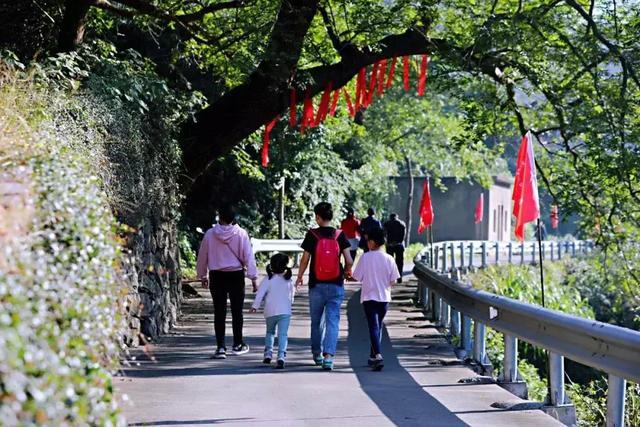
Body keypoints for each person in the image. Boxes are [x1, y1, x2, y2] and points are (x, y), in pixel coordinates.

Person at [296, 202, 353, 371]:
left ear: (318, 217)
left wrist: (300, 276)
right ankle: (329, 357)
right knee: (333, 321)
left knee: (316, 321)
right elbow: (349, 260)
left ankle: (317, 354)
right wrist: (347, 272)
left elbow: (305, 259)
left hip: (316, 285)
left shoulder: (312, 234)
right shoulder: (339, 235)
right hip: (335, 284)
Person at [196, 206, 258, 359]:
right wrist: (253, 277)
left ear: (220, 216)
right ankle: (237, 344)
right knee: (237, 312)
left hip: (217, 276)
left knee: (219, 312)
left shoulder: (210, 234)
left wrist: (202, 275)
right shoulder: (241, 234)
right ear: (233, 218)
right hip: (236, 275)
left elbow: (202, 255)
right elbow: (248, 257)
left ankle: (220, 347)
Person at [352, 228, 400, 371]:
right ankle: (373, 355)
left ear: (372, 242)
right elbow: (394, 280)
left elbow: (357, 277)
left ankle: (378, 355)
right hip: (384, 298)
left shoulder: (365, 257)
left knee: (374, 326)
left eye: (367, 241)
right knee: (377, 326)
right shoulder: (389, 258)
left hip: (369, 297)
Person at [251, 253, 295, 369]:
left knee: (270, 332)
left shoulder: (268, 279)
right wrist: (290, 305)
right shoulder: (288, 279)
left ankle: (268, 353)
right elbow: (292, 295)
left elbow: (260, 294)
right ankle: (281, 356)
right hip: (285, 311)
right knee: (283, 334)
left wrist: (255, 306)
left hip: (270, 311)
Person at [383, 213, 406, 283]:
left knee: (390, 262)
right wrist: (400, 241)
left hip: (390, 245)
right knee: (400, 262)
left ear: (390, 217)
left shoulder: (386, 224)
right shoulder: (402, 224)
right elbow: (404, 235)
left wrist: (386, 242)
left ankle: (391, 278)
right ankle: (399, 278)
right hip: (399, 244)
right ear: (397, 217)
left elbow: (384, 234)